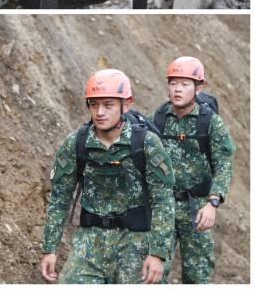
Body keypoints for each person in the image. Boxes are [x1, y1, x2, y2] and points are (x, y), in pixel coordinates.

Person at [40, 69, 175, 284]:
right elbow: (60, 199)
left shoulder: (147, 144)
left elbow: (163, 201)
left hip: (137, 242)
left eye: (108, 105)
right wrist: (50, 249)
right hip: (90, 243)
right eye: (94, 105)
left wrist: (158, 254)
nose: (100, 112)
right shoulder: (76, 144)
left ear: (126, 104)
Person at [149, 56, 235, 283]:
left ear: (198, 88)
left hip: (196, 209)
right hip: (162, 208)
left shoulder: (210, 123)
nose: (177, 89)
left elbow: (224, 164)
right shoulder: (157, 119)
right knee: (154, 274)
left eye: (185, 84)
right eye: (173, 83)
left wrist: (213, 202)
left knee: (197, 276)